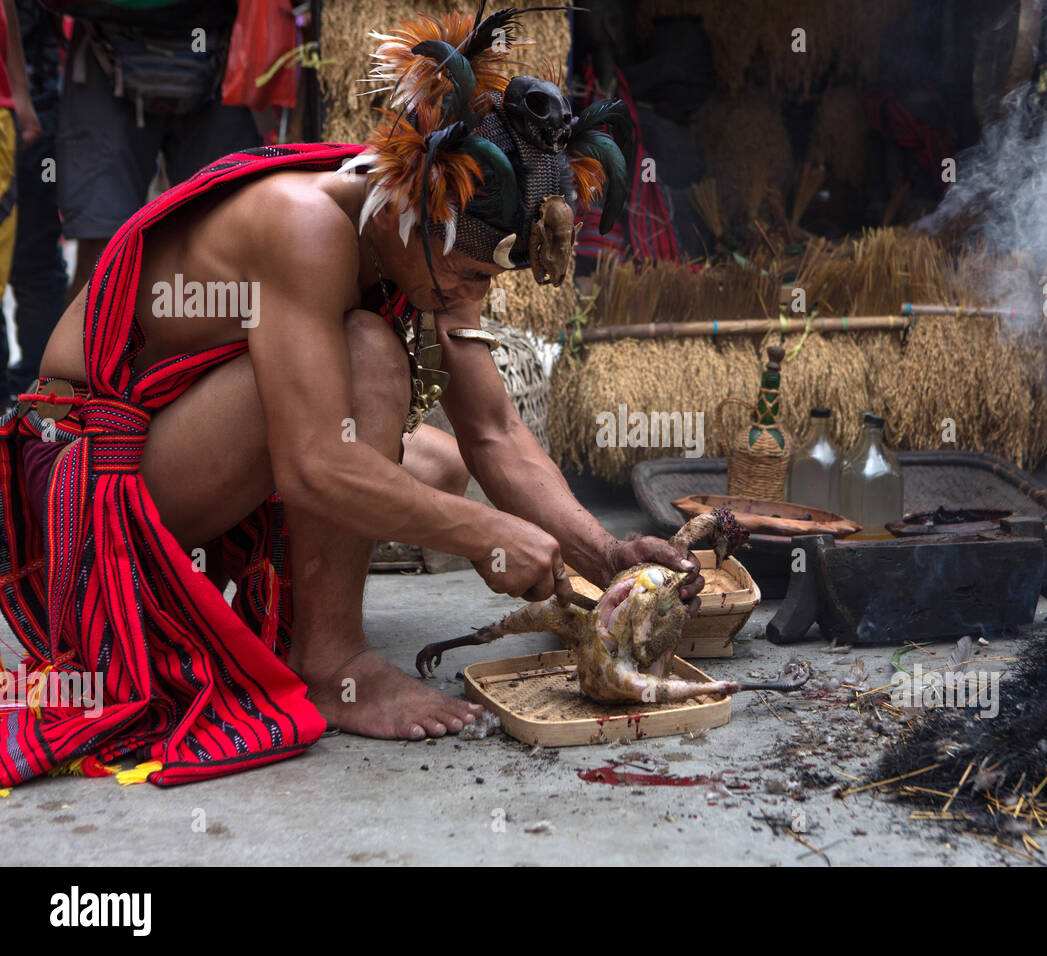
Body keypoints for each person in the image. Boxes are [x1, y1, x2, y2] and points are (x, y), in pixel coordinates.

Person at [0, 11, 702, 788]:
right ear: (415, 213)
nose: (473, 295)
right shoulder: (305, 226)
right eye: (469, 277)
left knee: (434, 471)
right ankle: (332, 661)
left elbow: (495, 433)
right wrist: (487, 536)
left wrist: (600, 552)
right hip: (80, 489)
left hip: (179, 442)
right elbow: (311, 467)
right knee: (370, 360)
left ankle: (314, 615)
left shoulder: (427, 238)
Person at [55, 0, 260, 301]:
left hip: (219, 45)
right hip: (103, 41)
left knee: (228, 238)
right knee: (101, 255)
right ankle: (93, 342)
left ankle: (206, 342)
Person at [1, 0, 66, 402]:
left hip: (25, 107)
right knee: (38, 266)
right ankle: (41, 396)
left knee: (37, 263)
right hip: (28, 102)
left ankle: (40, 393)